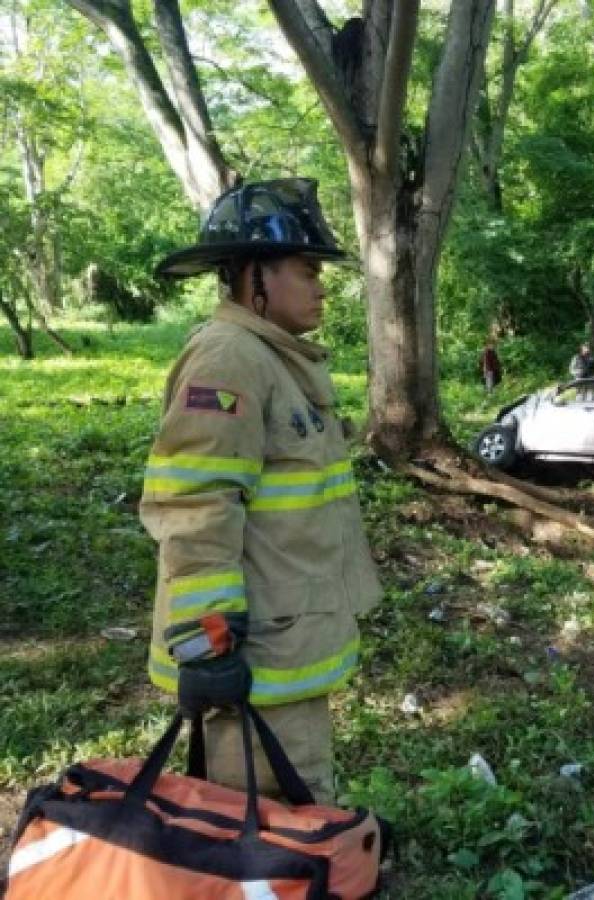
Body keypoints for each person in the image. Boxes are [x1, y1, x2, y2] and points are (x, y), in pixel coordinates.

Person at [144, 178, 382, 803]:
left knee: (294, 804)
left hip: (285, 641)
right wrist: (206, 645)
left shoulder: (276, 359)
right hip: (251, 659)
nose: (321, 285)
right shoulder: (229, 360)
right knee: (267, 823)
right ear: (256, 276)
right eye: (307, 269)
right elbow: (195, 504)